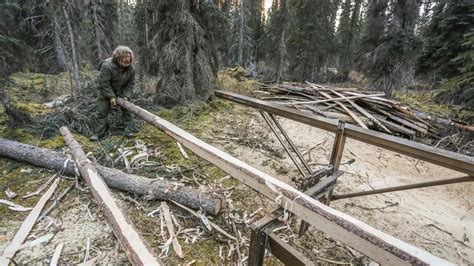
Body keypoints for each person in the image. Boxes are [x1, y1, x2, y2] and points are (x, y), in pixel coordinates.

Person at [90, 46, 136, 141]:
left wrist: (125, 96)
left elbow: (130, 84)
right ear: (118, 57)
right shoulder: (107, 65)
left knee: (127, 111)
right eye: (125, 57)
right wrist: (111, 96)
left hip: (122, 92)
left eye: (129, 57)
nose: (127, 59)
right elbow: (104, 83)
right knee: (101, 112)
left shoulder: (131, 68)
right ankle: (98, 133)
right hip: (105, 91)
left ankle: (128, 131)